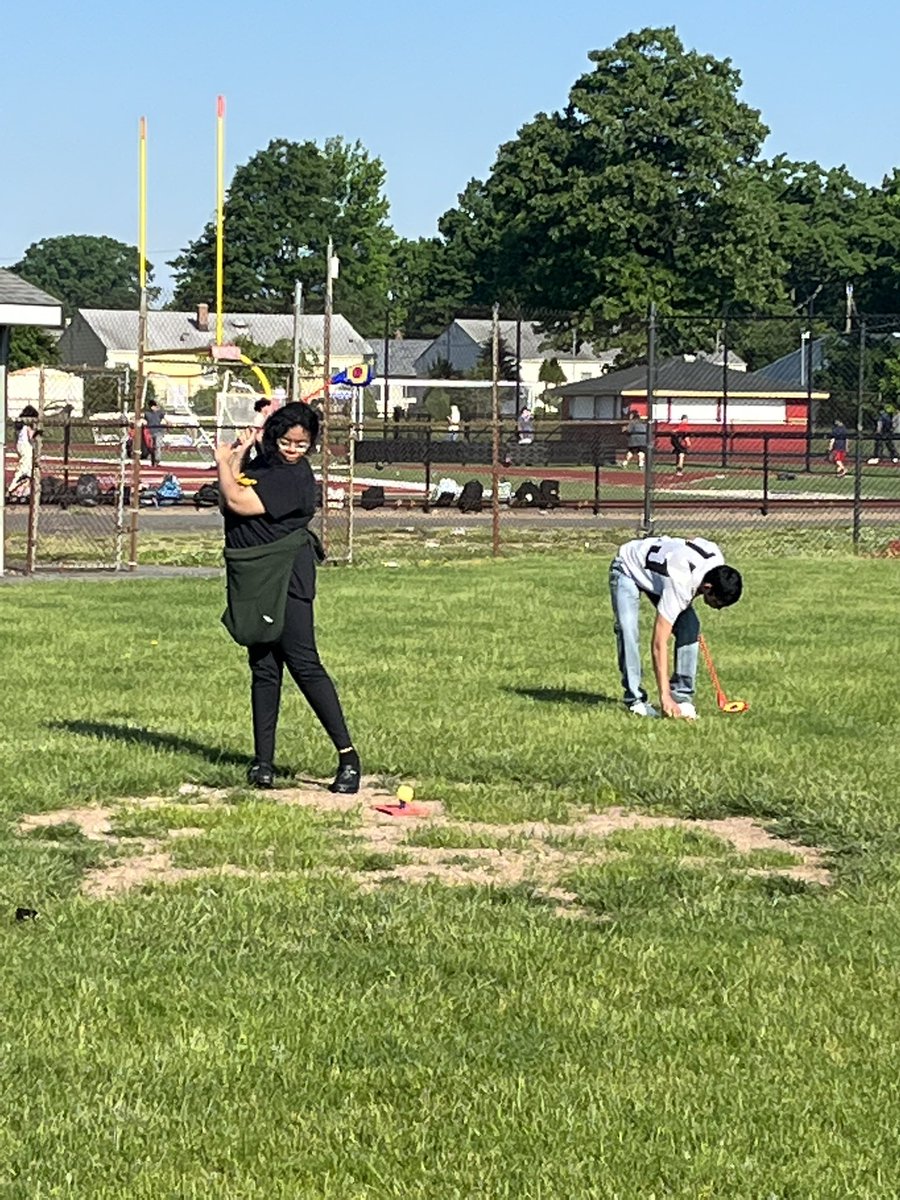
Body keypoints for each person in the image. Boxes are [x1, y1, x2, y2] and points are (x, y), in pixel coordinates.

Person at [216, 402, 360, 792]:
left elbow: (236, 501)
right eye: (287, 441)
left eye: (302, 443)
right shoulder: (265, 466)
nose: (294, 449)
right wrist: (239, 453)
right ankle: (263, 763)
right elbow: (233, 484)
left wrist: (220, 461)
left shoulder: (295, 477)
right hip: (254, 575)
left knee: (303, 662)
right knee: (263, 666)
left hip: (288, 576)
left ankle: (348, 757)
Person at [609, 535, 743, 719]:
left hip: (663, 575)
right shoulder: (680, 583)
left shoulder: (715, 557)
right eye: (718, 602)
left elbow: (691, 540)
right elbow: (659, 643)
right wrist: (664, 697)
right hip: (628, 567)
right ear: (707, 587)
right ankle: (635, 700)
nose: (719, 608)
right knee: (628, 631)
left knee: (690, 627)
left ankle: (681, 697)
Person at [6, 405, 38, 501]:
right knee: (24, 470)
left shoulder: (19, 426)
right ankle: (12, 489)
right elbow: (31, 437)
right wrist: (37, 432)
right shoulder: (26, 426)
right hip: (26, 448)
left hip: (20, 446)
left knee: (28, 470)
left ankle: (22, 491)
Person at [144, 399, 167, 467]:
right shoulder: (147, 413)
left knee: (157, 446)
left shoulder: (160, 413)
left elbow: (165, 419)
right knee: (151, 447)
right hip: (150, 432)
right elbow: (145, 421)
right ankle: (152, 460)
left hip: (158, 431)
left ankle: (157, 460)